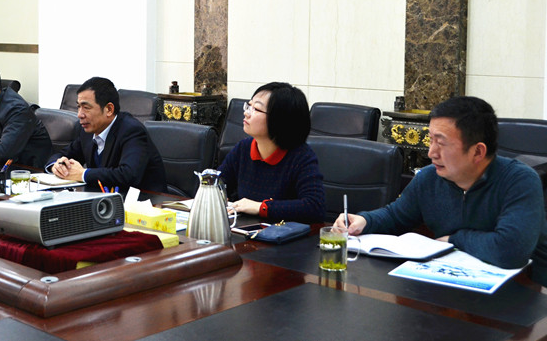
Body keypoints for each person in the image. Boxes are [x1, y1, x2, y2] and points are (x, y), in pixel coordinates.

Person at [334, 96, 547, 282]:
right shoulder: (429, 177)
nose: (431, 153)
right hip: (454, 284)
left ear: (477, 152)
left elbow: (510, 250)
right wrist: (365, 221)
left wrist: (455, 239)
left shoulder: (519, 181)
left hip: (525, 290)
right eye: (431, 140)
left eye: (441, 143)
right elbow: (396, 216)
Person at [218, 82, 325, 223]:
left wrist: (261, 207)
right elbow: (218, 183)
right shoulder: (244, 148)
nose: (246, 113)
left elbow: (314, 207)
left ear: (280, 119)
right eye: (248, 106)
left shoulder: (301, 156)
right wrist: (216, 196)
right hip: (245, 230)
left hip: (284, 233)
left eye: (256, 109)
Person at [50, 76, 166, 196]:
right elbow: (62, 154)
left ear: (109, 109)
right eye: (79, 107)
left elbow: (128, 174)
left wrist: (83, 174)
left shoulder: (132, 130)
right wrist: (57, 166)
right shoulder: (88, 130)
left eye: (86, 108)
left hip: (145, 203)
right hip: (104, 199)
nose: (80, 114)